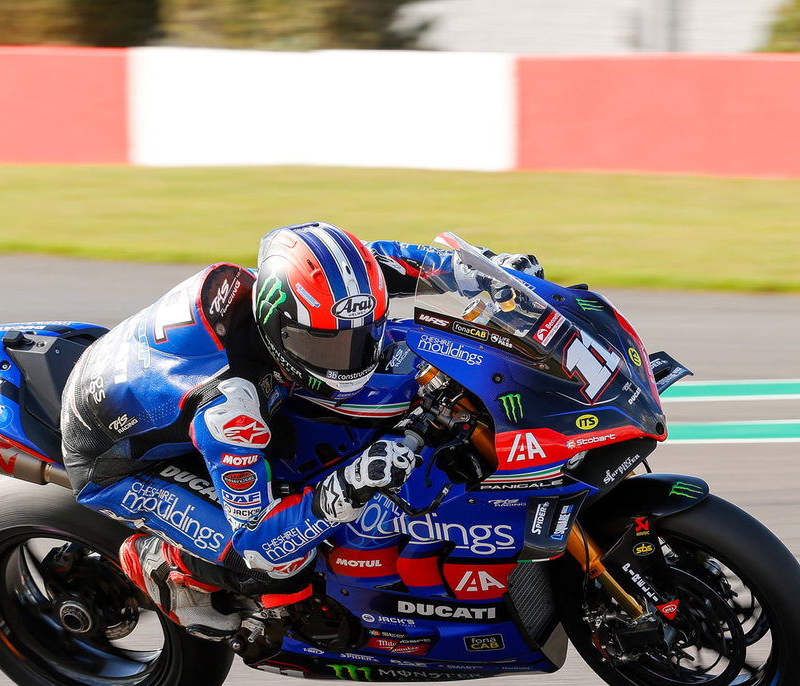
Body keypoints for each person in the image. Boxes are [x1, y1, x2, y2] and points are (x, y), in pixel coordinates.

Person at [59, 222, 541, 645]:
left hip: (148, 381)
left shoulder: (314, 293)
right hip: (119, 460)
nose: (348, 358)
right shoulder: (233, 411)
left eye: (360, 336)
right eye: (323, 344)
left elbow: (398, 262)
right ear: (277, 327)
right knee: (279, 562)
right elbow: (260, 539)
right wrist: (349, 487)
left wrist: (494, 275)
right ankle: (165, 565)